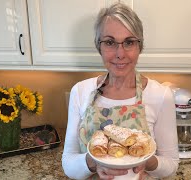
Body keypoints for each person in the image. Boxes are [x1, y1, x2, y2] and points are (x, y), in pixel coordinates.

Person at [62, 2, 179, 179]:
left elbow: (171, 165)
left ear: (140, 46)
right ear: (98, 46)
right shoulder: (80, 91)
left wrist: (145, 160)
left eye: (129, 42)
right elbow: (68, 165)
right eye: (110, 42)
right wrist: (95, 161)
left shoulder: (160, 95)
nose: (120, 53)